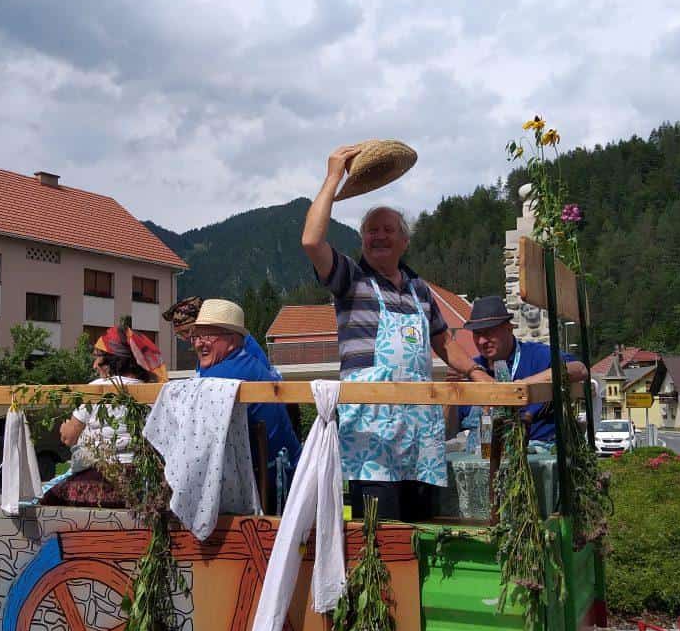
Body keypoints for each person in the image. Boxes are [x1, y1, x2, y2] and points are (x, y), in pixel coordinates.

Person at [302, 145, 492, 487]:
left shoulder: (420, 290)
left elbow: (444, 343)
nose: (379, 236)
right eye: (371, 230)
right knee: (379, 518)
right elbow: (312, 242)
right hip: (370, 433)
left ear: (405, 241)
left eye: (388, 230)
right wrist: (333, 178)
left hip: (420, 430)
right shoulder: (351, 279)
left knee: (422, 516)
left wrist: (477, 374)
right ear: (362, 240)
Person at [47, 323, 167, 506]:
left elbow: (69, 437)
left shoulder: (96, 389)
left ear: (113, 360)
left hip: (101, 477)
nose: (95, 365)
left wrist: (65, 427)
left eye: (98, 357)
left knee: (48, 499)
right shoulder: (152, 391)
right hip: (141, 480)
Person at [459, 295, 588, 444]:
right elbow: (449, 429)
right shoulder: (472, 369)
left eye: (489, 332)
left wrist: (523, 384)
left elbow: (580, 369)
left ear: (509, 328)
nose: (482, 341)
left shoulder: (536, 355)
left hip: (539, 450)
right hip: (483, 451)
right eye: (477, 334)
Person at [191, 299, 302, 472]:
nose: (199, 343)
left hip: (272, 481)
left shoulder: (227, 373)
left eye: (208, 336)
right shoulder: (244, 361)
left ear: (232, 340)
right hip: (282, 473)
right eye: (197, 336)